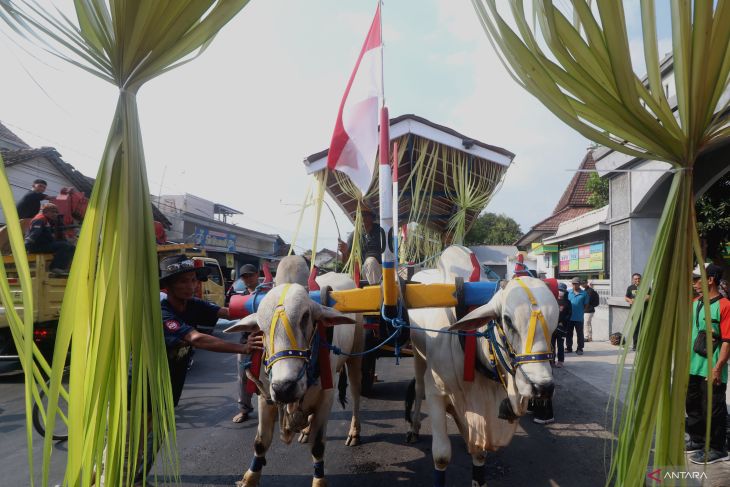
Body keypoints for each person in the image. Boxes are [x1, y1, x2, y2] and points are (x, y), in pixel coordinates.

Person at [685, 263, 730, 465]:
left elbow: (728, 340)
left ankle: (717, 448)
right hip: (692, 366)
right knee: (693, 405)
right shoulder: (696, 303)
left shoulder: (725, 305)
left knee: (713, 408)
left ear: (709, 280)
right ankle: (697, 440)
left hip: (711, 369)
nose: (694, 283)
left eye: (697, 279)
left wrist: (718, 368)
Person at [228, 263, 260, 423]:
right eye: (244, 276)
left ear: (257, 274)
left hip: (265, 341)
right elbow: (229, 312)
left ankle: (277, 406)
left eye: (250, 275)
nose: (248, 279)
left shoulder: (269, 293)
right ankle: (244, 410)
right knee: (243, 378)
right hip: (245, 342)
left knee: (271, 375)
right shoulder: (238, 296)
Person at [24, 203, 75, 274]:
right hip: (36, 246)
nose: (55, 214)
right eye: (53, 212)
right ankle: (55, 268)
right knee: (64, 246)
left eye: (56, 212)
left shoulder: (49, 220)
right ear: (45, 212)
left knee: (71, 247)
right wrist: (25, 248)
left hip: (45, 244)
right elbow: (34, 235)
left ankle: (66, 268)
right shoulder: (40, 219)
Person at [337, 208, 384, 284]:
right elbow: (346, 263)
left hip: (385, 267)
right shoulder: (353, 236)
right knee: (370, 262)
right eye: (358, 216)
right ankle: (376, 291)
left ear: (371, 217)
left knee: (371, 262)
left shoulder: (381, 230)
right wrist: (344, 253)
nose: (362, 218)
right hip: (366, 269)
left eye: (364, 215)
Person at [625, 272, 650, 350]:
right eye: (635, 279)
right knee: (635, 328)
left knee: (643, 328)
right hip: (635, 312)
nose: (637, 280)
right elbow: (626, 297)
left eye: (639, 278)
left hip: (644, 311)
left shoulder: (646, 287)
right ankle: (635, 346)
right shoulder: (630, 288)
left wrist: (639, 299)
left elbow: (649, 297)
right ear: (633, 280)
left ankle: (643, 345)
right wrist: (630, 300)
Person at [565, 277, 589, 355]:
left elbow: (586, 305)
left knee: (579, 334)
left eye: (576, 284)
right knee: (568, 334)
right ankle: (569, 348)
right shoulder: (568, 293)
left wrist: (580, 311)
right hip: (569, 317)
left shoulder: (584, 293)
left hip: (579, 318)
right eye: (573, 284)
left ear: (579, 284)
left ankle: (580, 348)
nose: (575, 285)